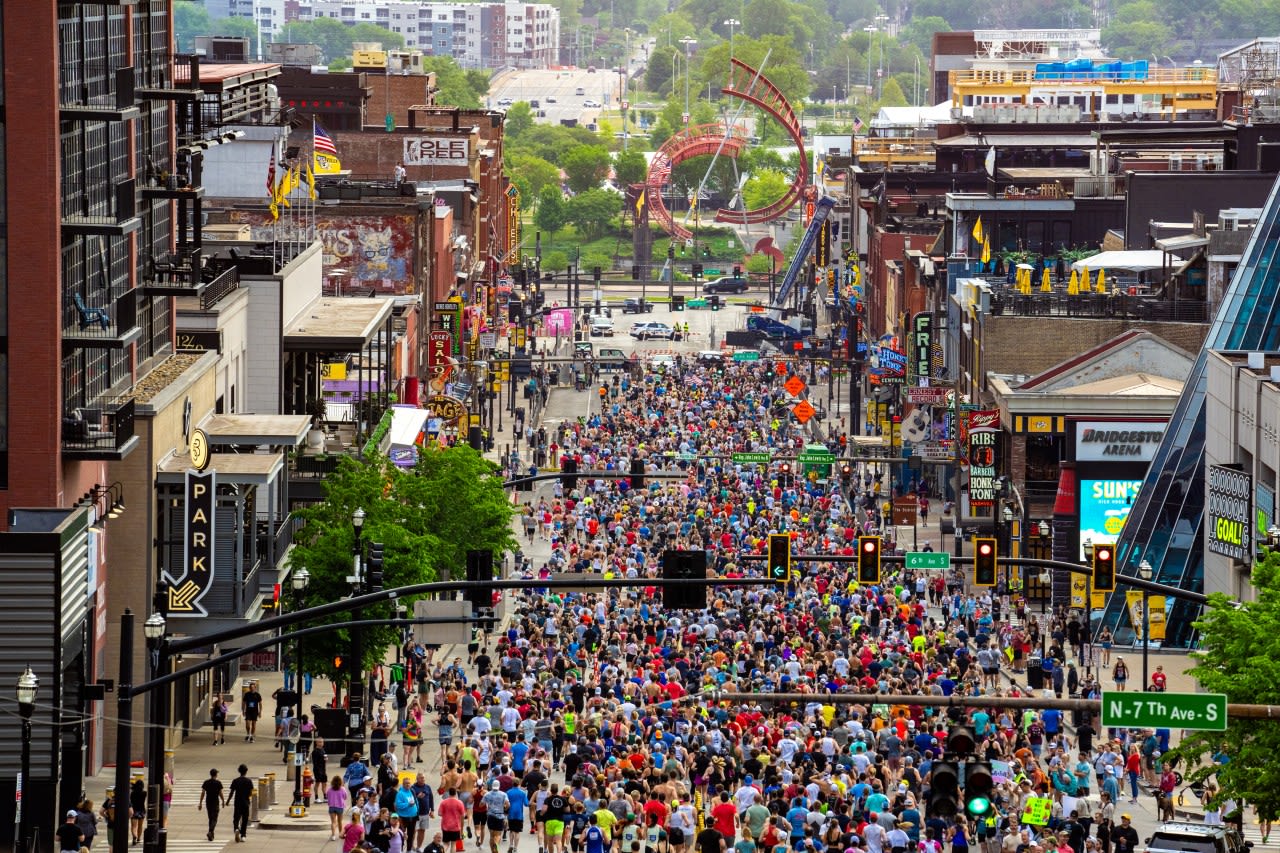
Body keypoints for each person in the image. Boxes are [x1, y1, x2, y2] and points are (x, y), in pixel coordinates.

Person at [227, 763, 255, 842]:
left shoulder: (235, 781)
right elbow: (251, 792)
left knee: (236, 818)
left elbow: (232, 792)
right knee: (245, 819)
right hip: (245, 802)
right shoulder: (249, 781)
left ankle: (236, 828)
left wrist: (228, 801)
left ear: (239, 771)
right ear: (246, 771)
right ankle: (243, 835)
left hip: (237, 802)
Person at [198, 768, 224, 841]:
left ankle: (211, 834)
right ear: (216, 774)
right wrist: (223, 801)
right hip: (215, 802)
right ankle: (210, 832)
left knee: (210, 818)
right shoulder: (218, 783)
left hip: (208, 802)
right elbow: (220, 793)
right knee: (214, 819)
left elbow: (203, 793)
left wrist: (200, 803)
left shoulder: (206, 782)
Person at [328, 775, 351, 840]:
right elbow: (345, 797)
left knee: (333, 822)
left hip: (332, 807)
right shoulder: (342, 789)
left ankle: (333, 835)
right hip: (340, 807)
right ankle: (341, 834)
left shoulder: (330, 789)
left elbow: (327, 796)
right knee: (340, 821)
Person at [129, 778, 147, 846]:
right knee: (140, 826)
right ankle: (139, 838)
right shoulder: (144, 793)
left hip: (134, 811)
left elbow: (131, 801)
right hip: (142, 810)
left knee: (134, 826)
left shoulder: (132, 793)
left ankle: (134, 836)